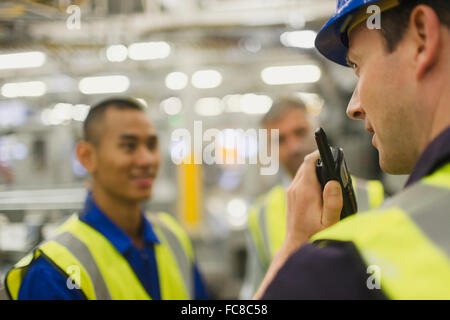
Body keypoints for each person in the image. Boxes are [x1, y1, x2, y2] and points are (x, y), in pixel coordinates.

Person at [254, 0, 450, 299]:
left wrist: (294, 249)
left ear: (421, 37)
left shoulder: (340, 268)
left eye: (358, 65)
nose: (353, 107)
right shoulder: (261, 217)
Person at [1, 97, 209, 300]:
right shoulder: (53, 272)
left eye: (152, 145)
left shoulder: (173, 237)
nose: (147, 159)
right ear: (87, 156)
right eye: (129, 146)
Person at [240, 97, 385, 298]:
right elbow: (255, 288)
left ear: (319, 132)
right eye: (280, 140)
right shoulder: (261, 214)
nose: (293, 147)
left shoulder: (372, 196)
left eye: (300, 132)